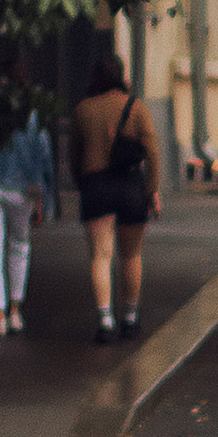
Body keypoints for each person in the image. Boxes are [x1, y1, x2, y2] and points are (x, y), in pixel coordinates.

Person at [69, 48, 159, 346]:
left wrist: (82, 184)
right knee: (131, 254)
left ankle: (105, 320)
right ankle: (130, 317)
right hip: (131, 185)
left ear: (95, 77)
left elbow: (74, 155)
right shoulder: (136, 107)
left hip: (96, 186)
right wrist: (153, 190)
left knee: (100, 255)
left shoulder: (83, 109)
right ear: (120, 75)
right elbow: (153, 152)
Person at [0, 100, 54, 337]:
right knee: (20, 246)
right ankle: (15, 309)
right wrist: (44, 195)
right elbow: (43, 155)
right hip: (23, 190)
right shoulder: (31, 116)